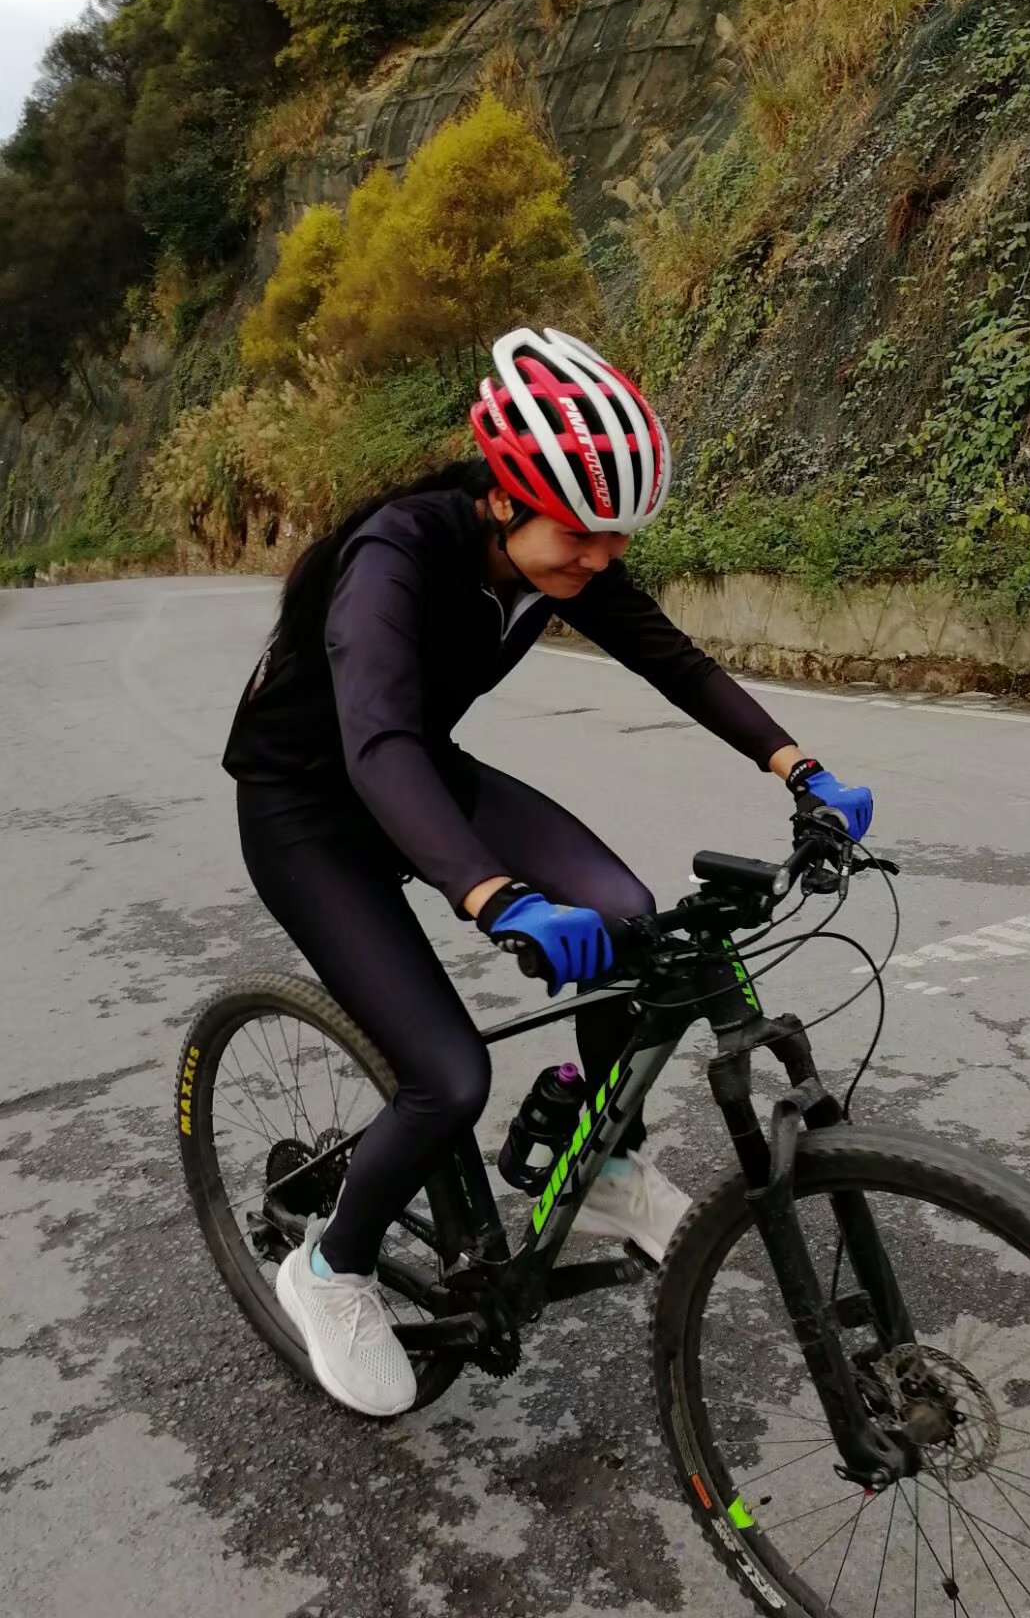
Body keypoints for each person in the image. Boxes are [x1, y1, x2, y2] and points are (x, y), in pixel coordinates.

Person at [222, 326, 874, 1418]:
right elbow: (374, 742)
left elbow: (679, 662)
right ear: (504, 500)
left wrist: (800, 767)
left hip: (428, 773)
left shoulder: (564, 556)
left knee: (631, 921)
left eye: (617, 539)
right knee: (447, 1077)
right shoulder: (391, 559)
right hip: (309, 812)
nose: (602, 562)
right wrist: (495, 895)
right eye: (582, 538)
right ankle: (330, 1269)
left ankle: (595, 1157)